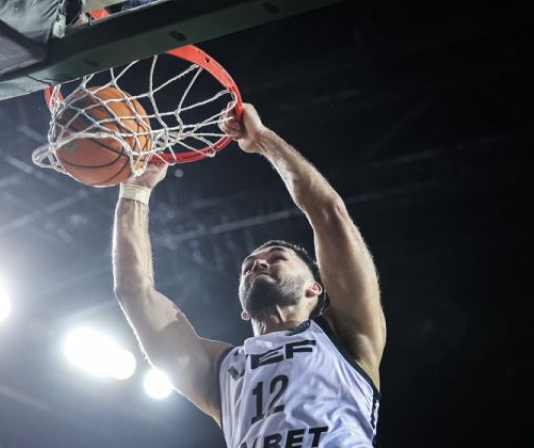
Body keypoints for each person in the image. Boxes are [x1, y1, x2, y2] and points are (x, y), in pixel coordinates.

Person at [112, 103, 386, 447]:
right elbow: (133, 292)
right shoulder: (218, 371)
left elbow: (329, 213)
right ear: (244, 311)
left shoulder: (346, 334)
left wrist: (262, 139)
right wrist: (134, 193)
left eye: (277, 257)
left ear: (315, 288)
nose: (257, 263)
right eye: (248, 266)